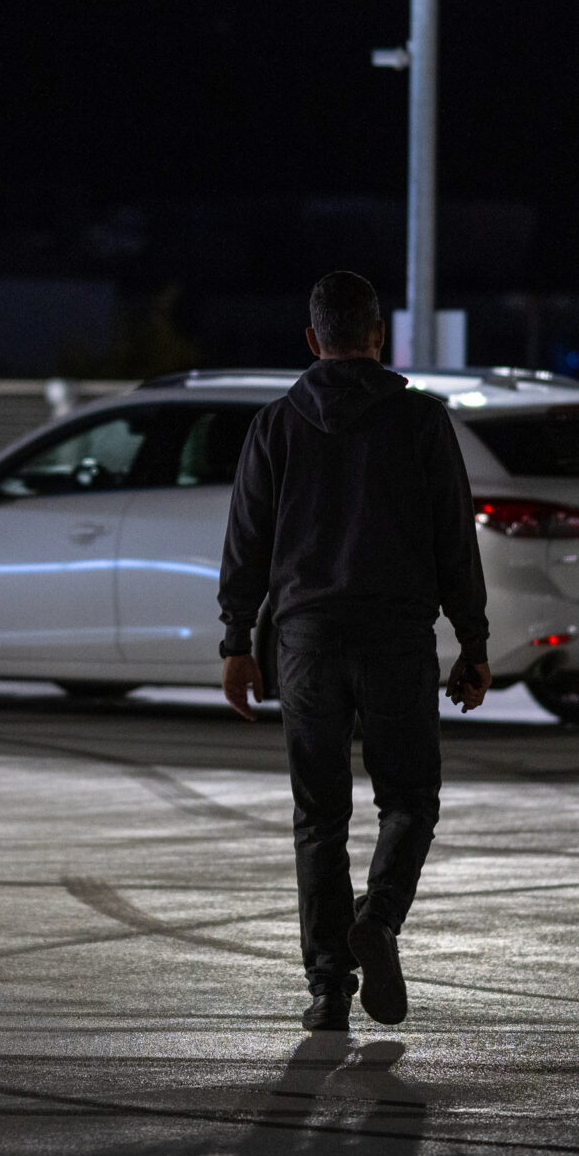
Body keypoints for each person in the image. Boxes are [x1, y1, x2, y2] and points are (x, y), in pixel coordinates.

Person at [216, 270, 490, 1032]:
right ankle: (380, 919)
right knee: (410, 801)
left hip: (303, 642)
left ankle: (328, 988)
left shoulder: (275, 425)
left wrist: (237, 642)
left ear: (312, 340)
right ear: (379, 337)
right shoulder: (422, 422)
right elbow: (453, 540)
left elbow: (245, 542)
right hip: (399, 637)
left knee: (319, 817)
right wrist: (473, 639)